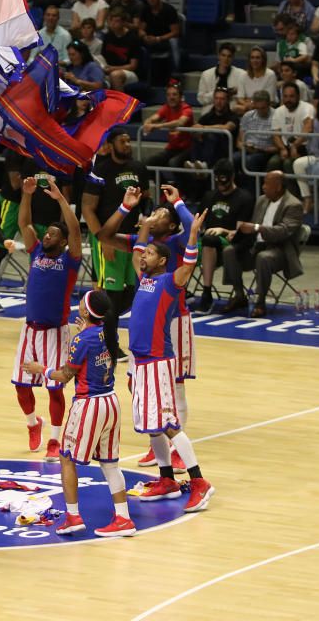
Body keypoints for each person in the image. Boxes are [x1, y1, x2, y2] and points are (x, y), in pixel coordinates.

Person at [124, 194, 214, 514]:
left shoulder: (168, 282)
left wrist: (192, 235)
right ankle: (166, 479)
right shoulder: (144, 279)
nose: (143, 255)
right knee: (152, 425)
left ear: (162, 260)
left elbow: (188, 264)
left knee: (167, 423)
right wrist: (145, 228)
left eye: (149, 253)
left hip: (159, 360)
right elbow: (136, 250)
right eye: (144, 252)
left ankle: (199, 481)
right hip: (141, 362)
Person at [98, 184, 197, 469]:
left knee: (175, 386)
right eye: (155, 210)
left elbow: (193, 229)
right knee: (135, 381)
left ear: (171, 223)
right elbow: (103, 236)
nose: (156, 214)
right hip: (146, 331)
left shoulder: (177, 241)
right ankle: (159, 440)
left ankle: (175, 447)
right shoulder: (145, 248)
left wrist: (177, 202)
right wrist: (127, 208)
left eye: (162, 213)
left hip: (174, 320)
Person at [23, 290, 135, 537]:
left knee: (66, 458)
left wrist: (40, 368)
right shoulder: (108, 332)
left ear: (86, 312)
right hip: (111, 402)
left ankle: (73, 516)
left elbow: (64, 376)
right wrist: (84, 330)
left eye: (82, 304)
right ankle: (124, 518)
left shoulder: (82, 340)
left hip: (89, 405)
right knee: (110, 464)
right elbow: (93, 342)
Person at [5, 177, 81, 459]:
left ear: (62, 242)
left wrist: (61, 198)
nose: (46, 236)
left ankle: (54, 439)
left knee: (54, 389)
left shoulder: (70, 260)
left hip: (55, 332)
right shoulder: (36, 251)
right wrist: (26, 195)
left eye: (52, 234)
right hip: (29, 330)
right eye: (46, 233)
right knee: (22, 387)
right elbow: (24, 224)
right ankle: (32, 423)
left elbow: (74, 229)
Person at [82, 128, 150, 362]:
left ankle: (100, 332)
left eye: (129, 139)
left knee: (130, 293)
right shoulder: (99, 171)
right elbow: (87, 209)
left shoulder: (139, 168)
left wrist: (145, 221)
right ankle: (110, 346)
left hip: (132, 239)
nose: (127, 143)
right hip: (108, 235)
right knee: (110, 294)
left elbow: (147, 200)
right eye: (123, 140)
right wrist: (103, 238)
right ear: (110, 145)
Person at [220, 170, 304, 318]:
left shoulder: (294, 205)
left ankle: (260, 302)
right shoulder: (261, 200)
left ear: (278, 187)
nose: (263, 186)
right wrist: (238, 232)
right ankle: (239, 295)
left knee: (263, 258)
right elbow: (252, 225)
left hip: (279, 250)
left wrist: (256, 228)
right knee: (229, 251)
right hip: (255, 246)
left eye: (266, 183)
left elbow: (283, 231)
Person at [196, 159, 255, 311]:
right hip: (206, 241)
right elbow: (197, 223)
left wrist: (223, 230)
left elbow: (241, 232)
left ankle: (206, 293)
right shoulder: (209, 196)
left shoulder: (244, 198)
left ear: (232, 177)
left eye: (224, 180)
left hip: (231, 244)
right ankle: (179, 292)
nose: (221, 184)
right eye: (218, 180)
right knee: (178, 245)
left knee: (209, 240)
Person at [143, 83, 194, 180]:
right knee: (149, 162)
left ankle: (185, 192)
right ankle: (164, 190)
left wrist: (158, 126)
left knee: (173, 163)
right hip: (172, 148)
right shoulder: (166, 107)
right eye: (169, 95)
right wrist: (148, 122)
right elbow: (154, 118)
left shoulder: (186, 109)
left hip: (187, 149)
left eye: (174, 94)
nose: (171, 97)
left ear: (181, 97)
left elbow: (180, 122)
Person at [186, 87, 239, 173]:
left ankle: (205, 165)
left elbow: (227, 127)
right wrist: (197, 132)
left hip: (225, 150)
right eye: (216, 98)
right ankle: (194, 164)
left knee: (211, 135)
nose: (219, 102)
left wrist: (204, 128)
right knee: (196, 137)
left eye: (222, 99)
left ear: (227, 101)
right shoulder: (208, 115)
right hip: (206, 149)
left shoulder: (233, 116)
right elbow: (196, 126)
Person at [270, 82, 315, 176]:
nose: (288, 100)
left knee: (288, 164)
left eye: (291, 96)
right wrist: (282, 148)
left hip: (303, 147)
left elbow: (308, 128)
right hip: (285, 147)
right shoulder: (278, 111)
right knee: (273, 163)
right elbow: (275, 134)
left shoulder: (307, 108)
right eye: (285, 96)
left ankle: (294, 191)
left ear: (298, 96)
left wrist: (295, 145)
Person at [139, 0, 180, 81]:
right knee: (135, 40)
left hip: (165, 40)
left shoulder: (169, 10)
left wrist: (158, 39)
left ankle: (176, 73)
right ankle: (141, 76)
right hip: (150, 40)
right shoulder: (145, 10)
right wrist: (144, 36)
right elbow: (141, 29)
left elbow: (175, 32)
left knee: (174, 42)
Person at [235, 90, 278, 177]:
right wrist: (244, 147)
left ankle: (252, 189)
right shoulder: (247, 116)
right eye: (257, 108)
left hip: (266, 152)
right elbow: (239, 141)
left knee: (250, 160)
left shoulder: (277, 116)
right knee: (234, 159)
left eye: (263, 108)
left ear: (269, 104)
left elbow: (278, 146)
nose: (260, 111)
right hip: (247, 149)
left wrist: (262, 149)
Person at [197, 43, 246, 112]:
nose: (226, 59)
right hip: (210, 113)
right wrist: (221, 93)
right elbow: (201, 99)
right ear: (219, 56)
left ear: (233, 58)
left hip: (231, 113)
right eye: (223, 55)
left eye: (229, 56)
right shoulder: (206, 74)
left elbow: (244, 97)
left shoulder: (241, 74)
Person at [101, 7, 140, 90]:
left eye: (117, 21)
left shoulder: (132, 38)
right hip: (109, 69)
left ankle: (120, 101)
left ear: (123, 22)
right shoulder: (108, 36)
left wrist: (113, 69)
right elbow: (102, 57)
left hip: (129, 73)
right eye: (111, 21)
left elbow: (133, 66)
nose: (113, 24)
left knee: (115, 75)